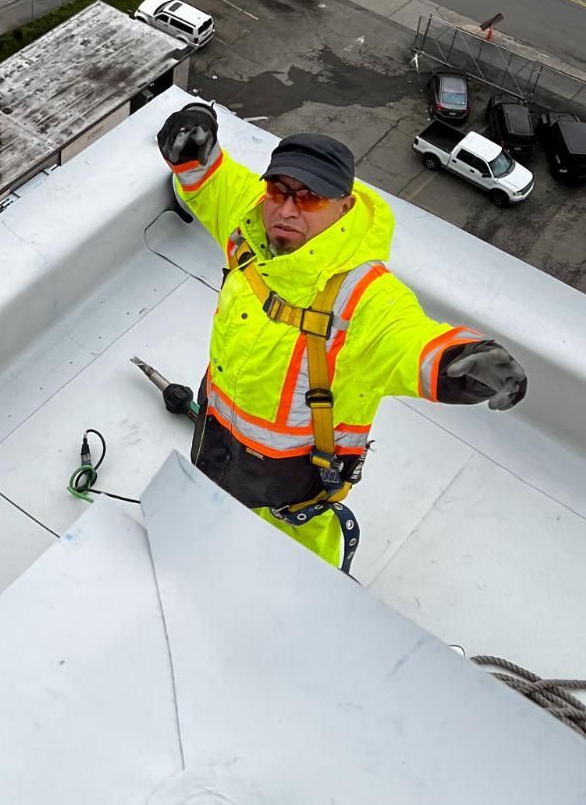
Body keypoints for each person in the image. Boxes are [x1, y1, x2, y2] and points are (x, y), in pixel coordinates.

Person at [155, 108, 527, 574]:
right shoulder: (254, 223)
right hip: (215, 435)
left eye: (310, 198)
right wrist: (195, 158)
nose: (288, 209)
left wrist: (464, 359)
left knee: (294, 567)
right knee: (211, 523)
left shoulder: (365, 296)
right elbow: (219, 187)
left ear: (345, 207)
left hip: (291, 482)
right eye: (280, 190)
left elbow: (409, 338)